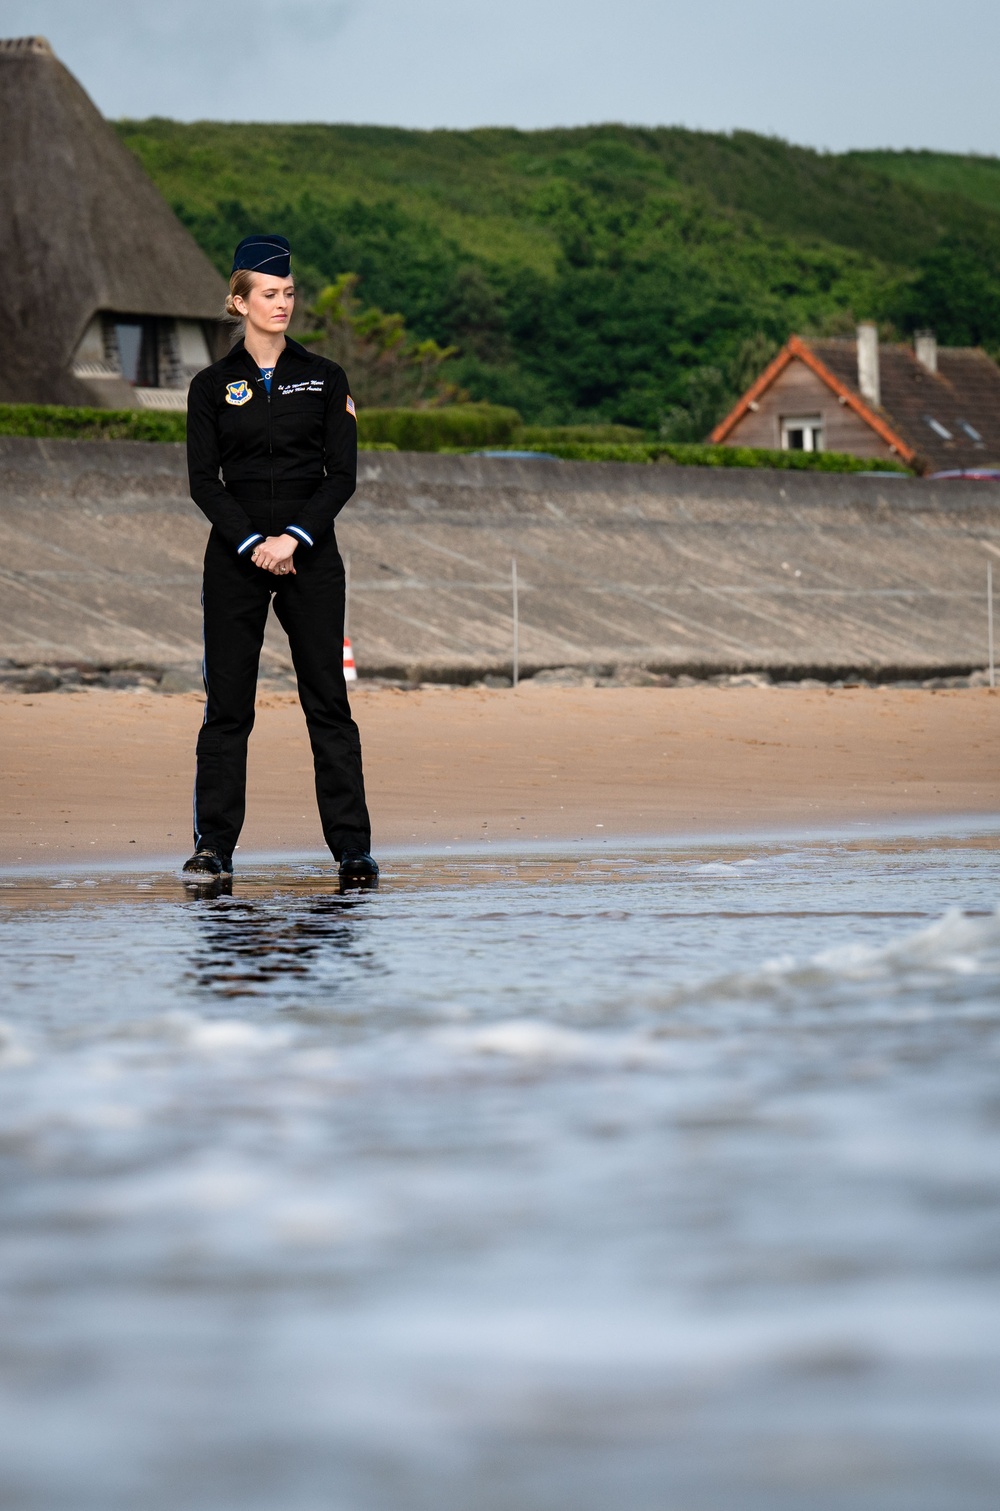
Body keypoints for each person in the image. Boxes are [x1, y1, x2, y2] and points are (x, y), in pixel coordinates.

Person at [182, 233, 377, 890]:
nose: (282, 303)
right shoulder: (211, 385)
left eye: (289, 292)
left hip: (310, 553)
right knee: (227, 707)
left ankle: (353, 850)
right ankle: (213, 848)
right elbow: (203, 482)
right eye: (269, 293)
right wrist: (253, 544)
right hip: (234, 555)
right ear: (238, 301)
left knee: (328, 701)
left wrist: (292, 538)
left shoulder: (326, 378)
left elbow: (341, 475)